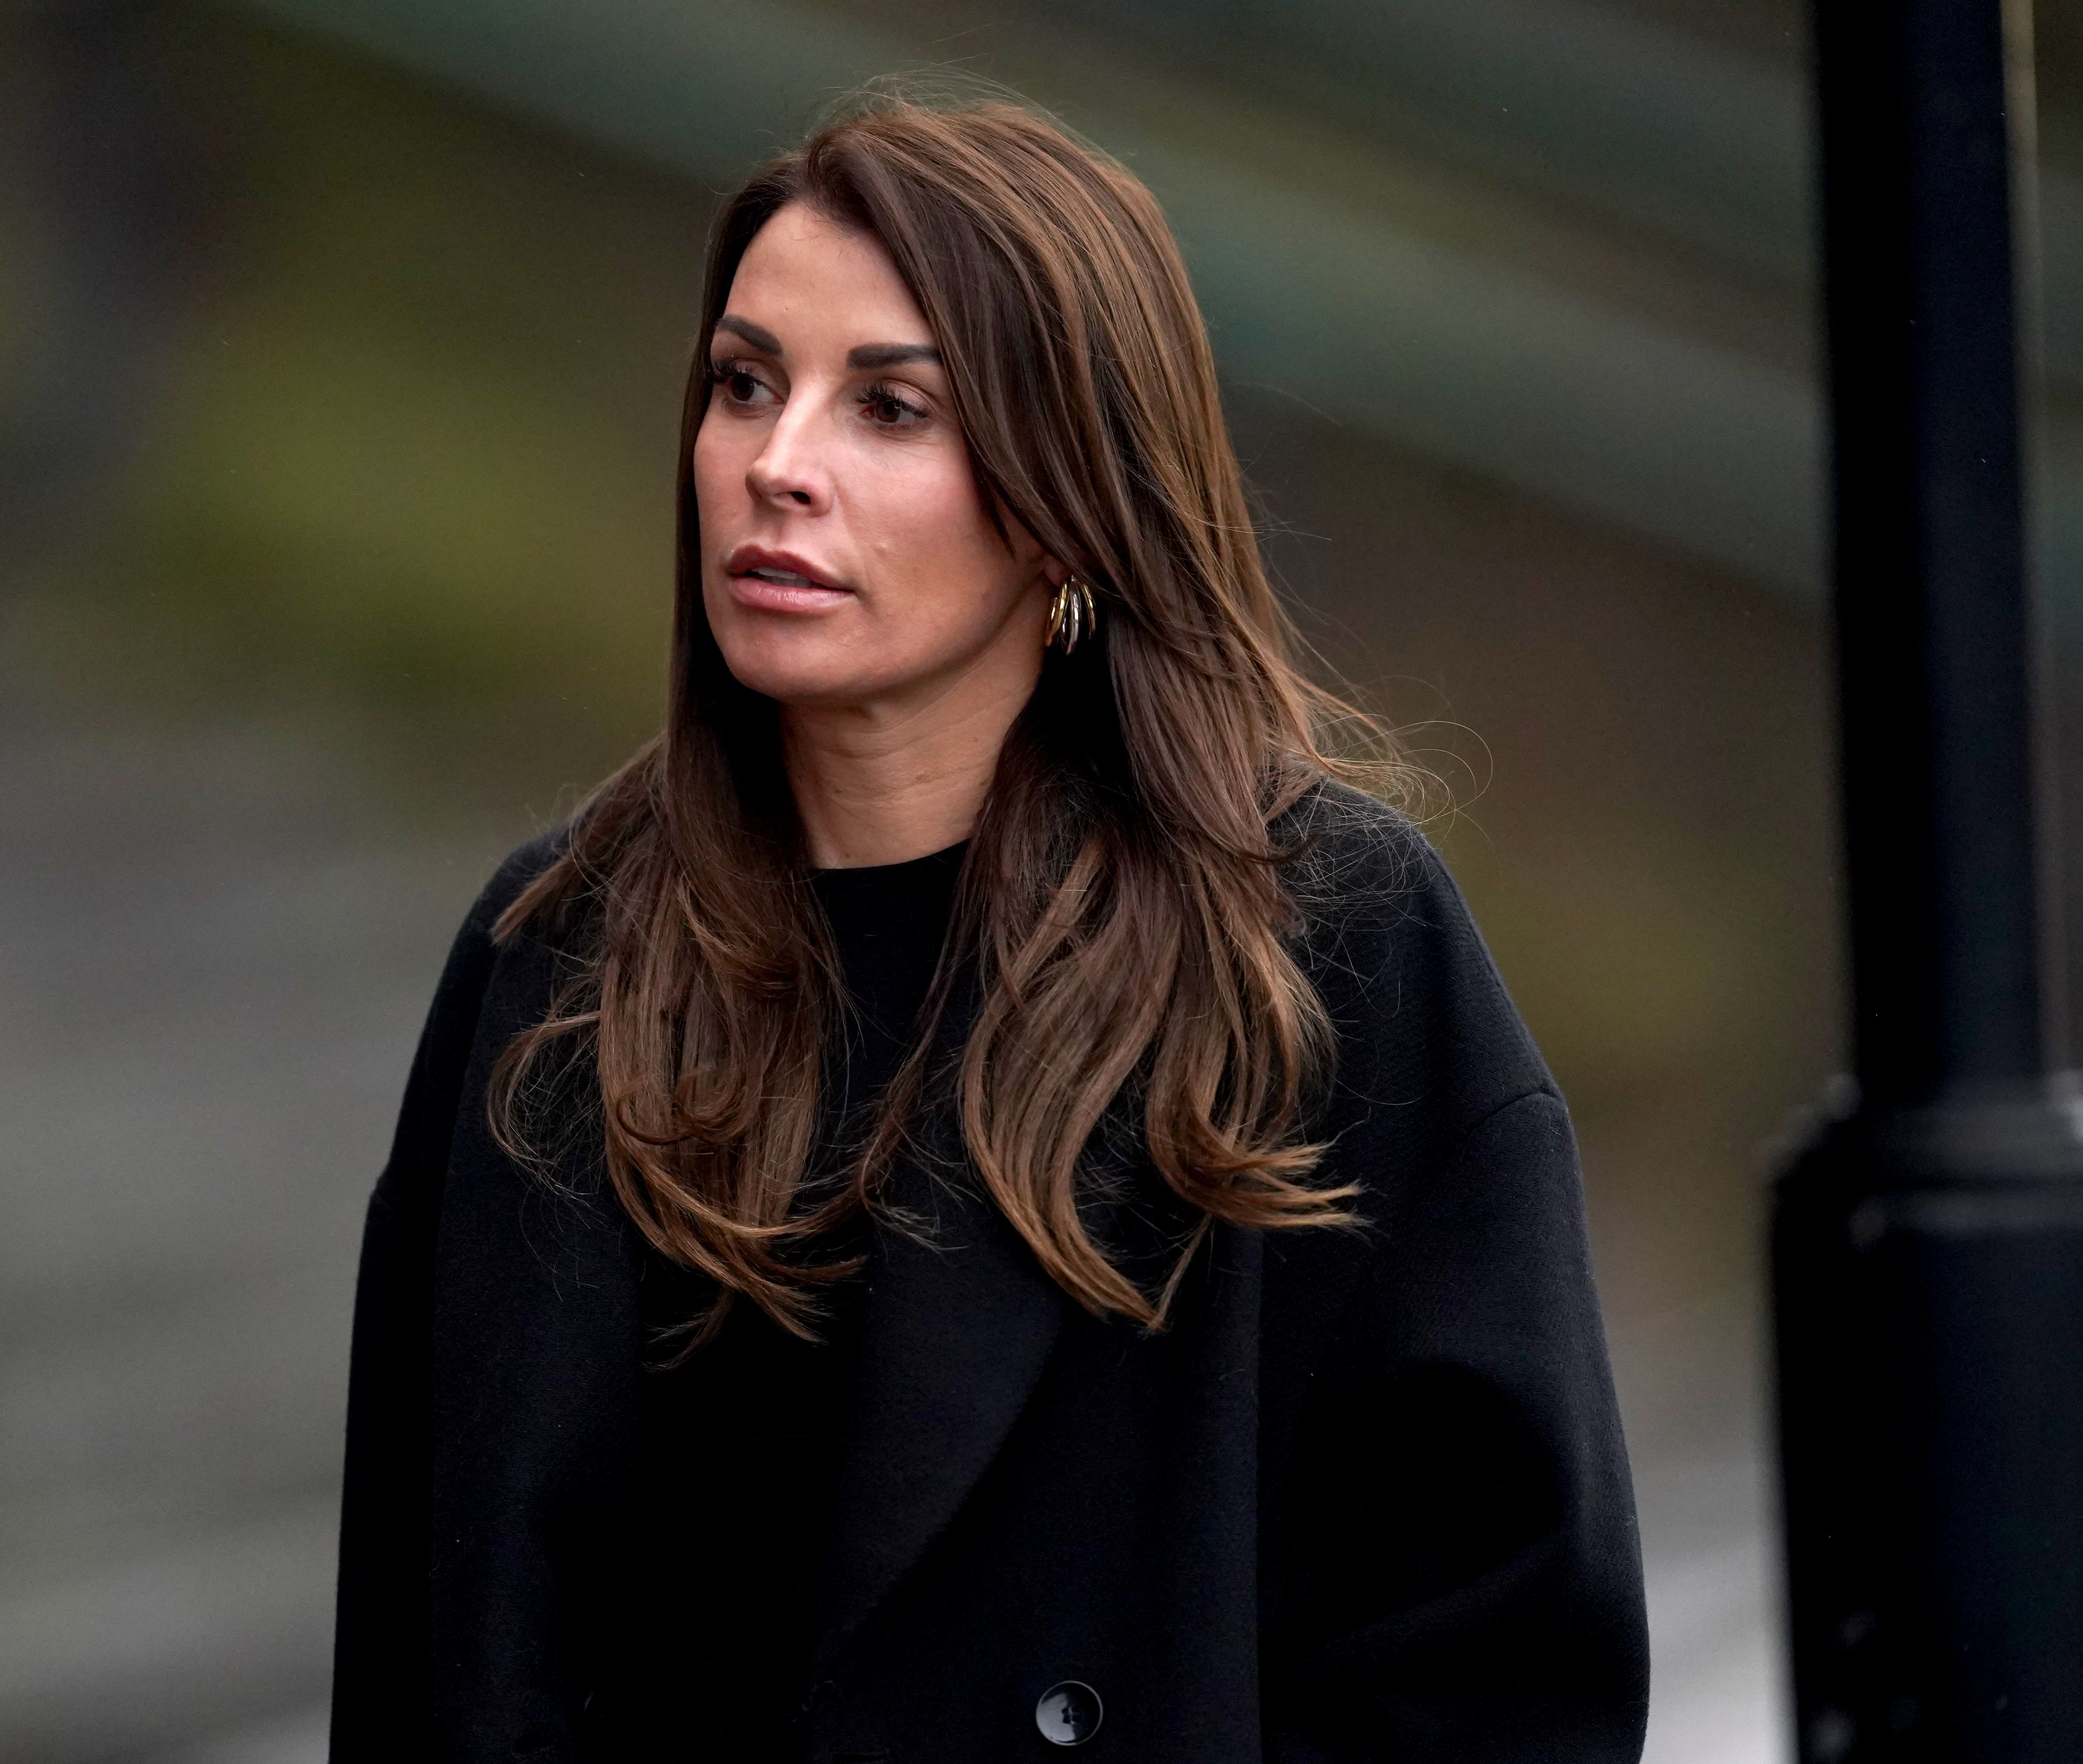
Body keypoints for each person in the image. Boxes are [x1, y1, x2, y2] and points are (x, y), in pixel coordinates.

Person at [332, 92, 1647, 1763]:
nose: (777, 465)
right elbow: (427, 1641)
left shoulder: (1319, 947)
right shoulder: (560, 957)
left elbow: (1494, 1655)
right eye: (746, 384)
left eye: (891, 409)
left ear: (1063, 494)